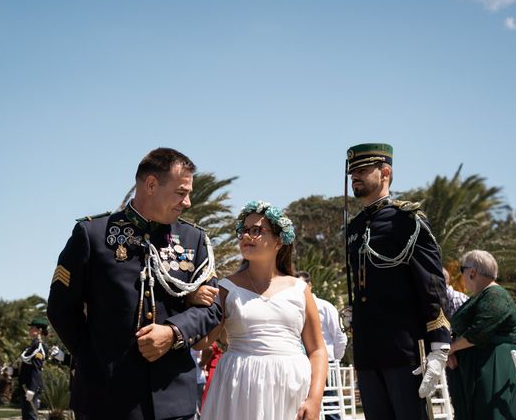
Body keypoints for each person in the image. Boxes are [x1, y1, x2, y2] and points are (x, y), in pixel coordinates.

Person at [47, 147, 222, 420]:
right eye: (180, 192)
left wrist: (174, 333)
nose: (187, 202)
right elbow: (61, 308)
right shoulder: (92, 235)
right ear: (151, 185)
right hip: (106, 399)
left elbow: (212, 309)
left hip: (174, 399)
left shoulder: (194, 239)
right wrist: (95, 357)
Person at [344, 143, 451, 420]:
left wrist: (439, 346)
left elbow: (432, 282)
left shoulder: (407, 221)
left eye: (362, 169)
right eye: (351, 171)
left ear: (385, 172)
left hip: (404, 351)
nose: (354, 175)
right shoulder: (354, 227)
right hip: (368, 351)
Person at [199, 200, 327, 420]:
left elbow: (317, 350)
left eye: (256, 230)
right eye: (243, 230)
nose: (247, 236)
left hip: (291, 386)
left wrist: (314, 400)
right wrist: (195, 299)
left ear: (278, 241)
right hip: (239, 386)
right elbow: (202, 342)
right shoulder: (225, 289)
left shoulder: (300, 289)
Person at [447, 250, 516, 419]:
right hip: (478, 365)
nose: (462, 275)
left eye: (462, 270)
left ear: (472, 272)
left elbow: (478, 332)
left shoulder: (496, 295)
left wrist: (450, 349)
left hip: (492, 365)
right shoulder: (482, 296)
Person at [296, 270, 347, 420]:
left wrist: (333, 359)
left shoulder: (325, 307)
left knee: (330, 406)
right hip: (301, 364)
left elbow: (340, 336)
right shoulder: (294, 307)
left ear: (310, 285)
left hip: (326, 364)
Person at [17, 317, 49, 420]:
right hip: (25, 386)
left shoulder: (39, 346)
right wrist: (12, 372)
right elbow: (26, 366)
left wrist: (32, 389)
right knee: (27, 416)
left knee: (31, 416)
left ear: (39, 330)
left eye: (32, 328)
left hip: (30, 387)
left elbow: (37, 369)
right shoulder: (32, 345)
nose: (29, 330)